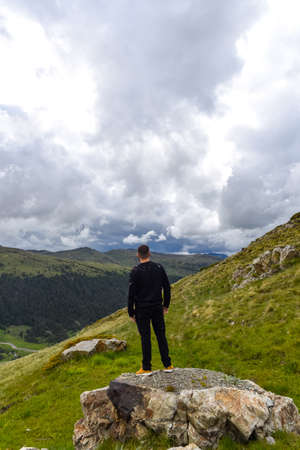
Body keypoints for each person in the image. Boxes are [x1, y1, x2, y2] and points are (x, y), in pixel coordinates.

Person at [128, 244, 174, 375]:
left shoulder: (135, 271)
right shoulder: (159, 268)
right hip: (157, 307)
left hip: (141, 309)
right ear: (149, 253)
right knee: (161, 335)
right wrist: (166, 305)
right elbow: (167, 287)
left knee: (145, 337)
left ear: (138, 255)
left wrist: (131, 312)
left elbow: (131, 293)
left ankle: (146, 367)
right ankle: (168, 364)